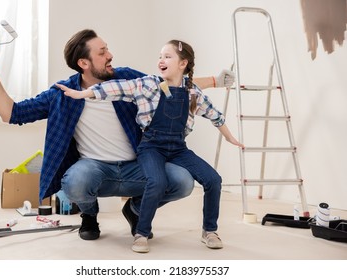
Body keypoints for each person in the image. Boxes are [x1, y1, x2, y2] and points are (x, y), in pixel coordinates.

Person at [0, 29, 236, 242]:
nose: (110, 54)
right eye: (102, 51)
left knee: (182, 181)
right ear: (83, 63)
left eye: (107, 48)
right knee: (75, 182)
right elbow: (11, 114)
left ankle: (135, 209)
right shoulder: (61, 94)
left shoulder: (127, 79)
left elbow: (171, 85)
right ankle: (89, 214)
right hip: (95, 168)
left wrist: (216, 80)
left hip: (137, 166)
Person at [56, 39, 244, 253]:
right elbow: (113, 88)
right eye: (160, 56)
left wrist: (230, 137)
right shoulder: (147, 85)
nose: (161, 60)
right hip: (151, 147)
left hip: (178, 148)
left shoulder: (193, 93)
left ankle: (209, 231)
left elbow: (215, 116)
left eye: (167, 56)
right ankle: (141, 234)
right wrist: (82, 94)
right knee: (156, 181)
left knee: (213, 180)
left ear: (183, 64)